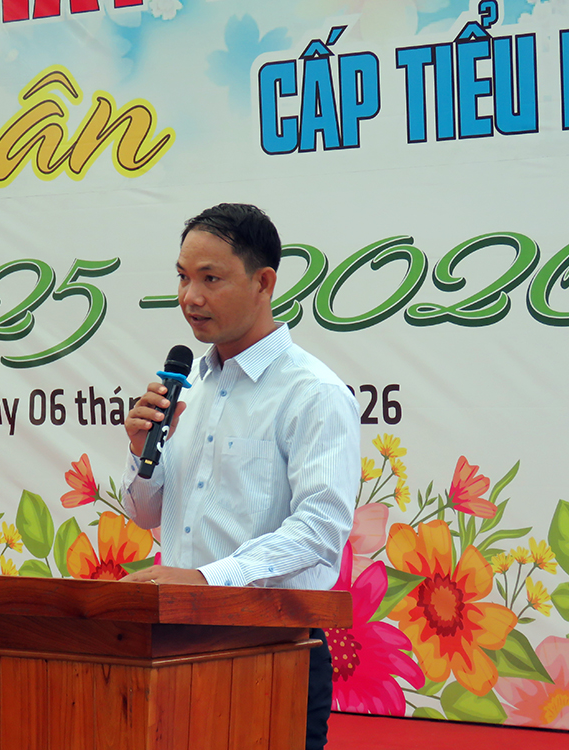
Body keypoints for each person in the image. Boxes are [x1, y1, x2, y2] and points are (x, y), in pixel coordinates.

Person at [119, 203, 360, 749]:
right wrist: (140, 453)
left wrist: (207, 581)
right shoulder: (190, 388)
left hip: (274, 653)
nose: (190, 297)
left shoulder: (313, 393)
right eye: (182, 277)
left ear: (263, 283)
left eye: (210, 279)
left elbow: (321, 528)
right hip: (174, 646)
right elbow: (147, 512)